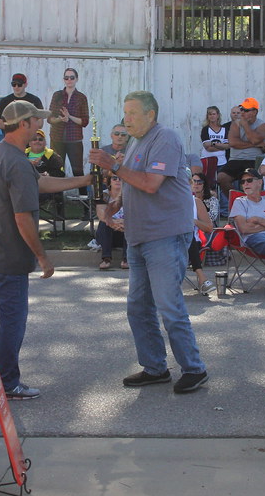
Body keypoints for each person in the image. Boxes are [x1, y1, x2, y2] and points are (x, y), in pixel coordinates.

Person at [87, 91, 208, 394]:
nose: (126, 119)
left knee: (169, 306)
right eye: (124, 113)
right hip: (139, 236)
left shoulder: (164, 137)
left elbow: (151, 184)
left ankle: (194, 368)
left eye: (132, 113)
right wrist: (114, 205)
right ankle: (155, 367)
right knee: (138, 307)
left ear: (150, 115)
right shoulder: (135, 143)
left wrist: (113, 167)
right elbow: (132, 184)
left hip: (165, 235)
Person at [0, 100, 92, 399]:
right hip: (10, 255)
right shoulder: (15, 160)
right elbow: (23, 217)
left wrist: (83, 180)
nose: (40, 125)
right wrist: (42, 256)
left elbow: (38, 182)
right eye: (37, 121)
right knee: (13, 318)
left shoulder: (0, 153)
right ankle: (8, 382)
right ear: (25, 124)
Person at [216, 97, 265, 196]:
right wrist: (256, 145)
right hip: (235, 159)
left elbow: (254, 139)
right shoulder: (235, 124)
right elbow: (233, 143)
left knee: (252, 181)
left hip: (253, 159)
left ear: (255, 112)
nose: (243, 112)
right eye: (242, 109)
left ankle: (250, 201)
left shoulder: (263, 125)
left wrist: (245, 125)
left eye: (246, 110)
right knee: (221, 177)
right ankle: (238, 200)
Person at [47, 67, 89, 184]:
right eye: (66, 78)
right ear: (63, 80)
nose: (69, 80)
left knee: (78, 170)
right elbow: (50, 118)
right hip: (57, 138)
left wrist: (69, 117)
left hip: (74, 139)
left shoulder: (81, 97)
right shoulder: (57, 95)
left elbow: (85, 121)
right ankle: (57, 200)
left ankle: (83, 198)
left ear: (77, 79)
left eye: (72, 77)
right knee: (57, 170)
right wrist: (60, 119)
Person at [189, 172, 216, 295]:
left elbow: (209, 228)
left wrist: (193, 221)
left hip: (191, 242)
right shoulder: (166, 200)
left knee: (187, 237)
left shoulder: (196, 203)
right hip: (168, 241)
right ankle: (202, 278)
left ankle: (202, 278)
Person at [95, 175, 127, 270]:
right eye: (114, 178)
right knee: (104, 223)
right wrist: (113, 222)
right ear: (109, 182)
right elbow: (101, 214)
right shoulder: (104, 195)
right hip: (107, 235)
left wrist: (125, 222)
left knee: (130, 225)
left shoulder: (130, 195)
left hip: (125, 234)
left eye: (121, 178)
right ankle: (106, 259)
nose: (117, 180)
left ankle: (126, 260)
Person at [200, 105, 228, 186]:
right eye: (210, 114)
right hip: (208, 160)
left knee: (222, 184)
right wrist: (221, 146)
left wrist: (213, 144)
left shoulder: (224, 129)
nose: (212, 116)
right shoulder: (205, 129)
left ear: (218, 115)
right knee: (209, 184)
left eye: (214, 114)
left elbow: (227, 146)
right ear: (207, 116)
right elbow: (207, 147)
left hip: (221, 161)